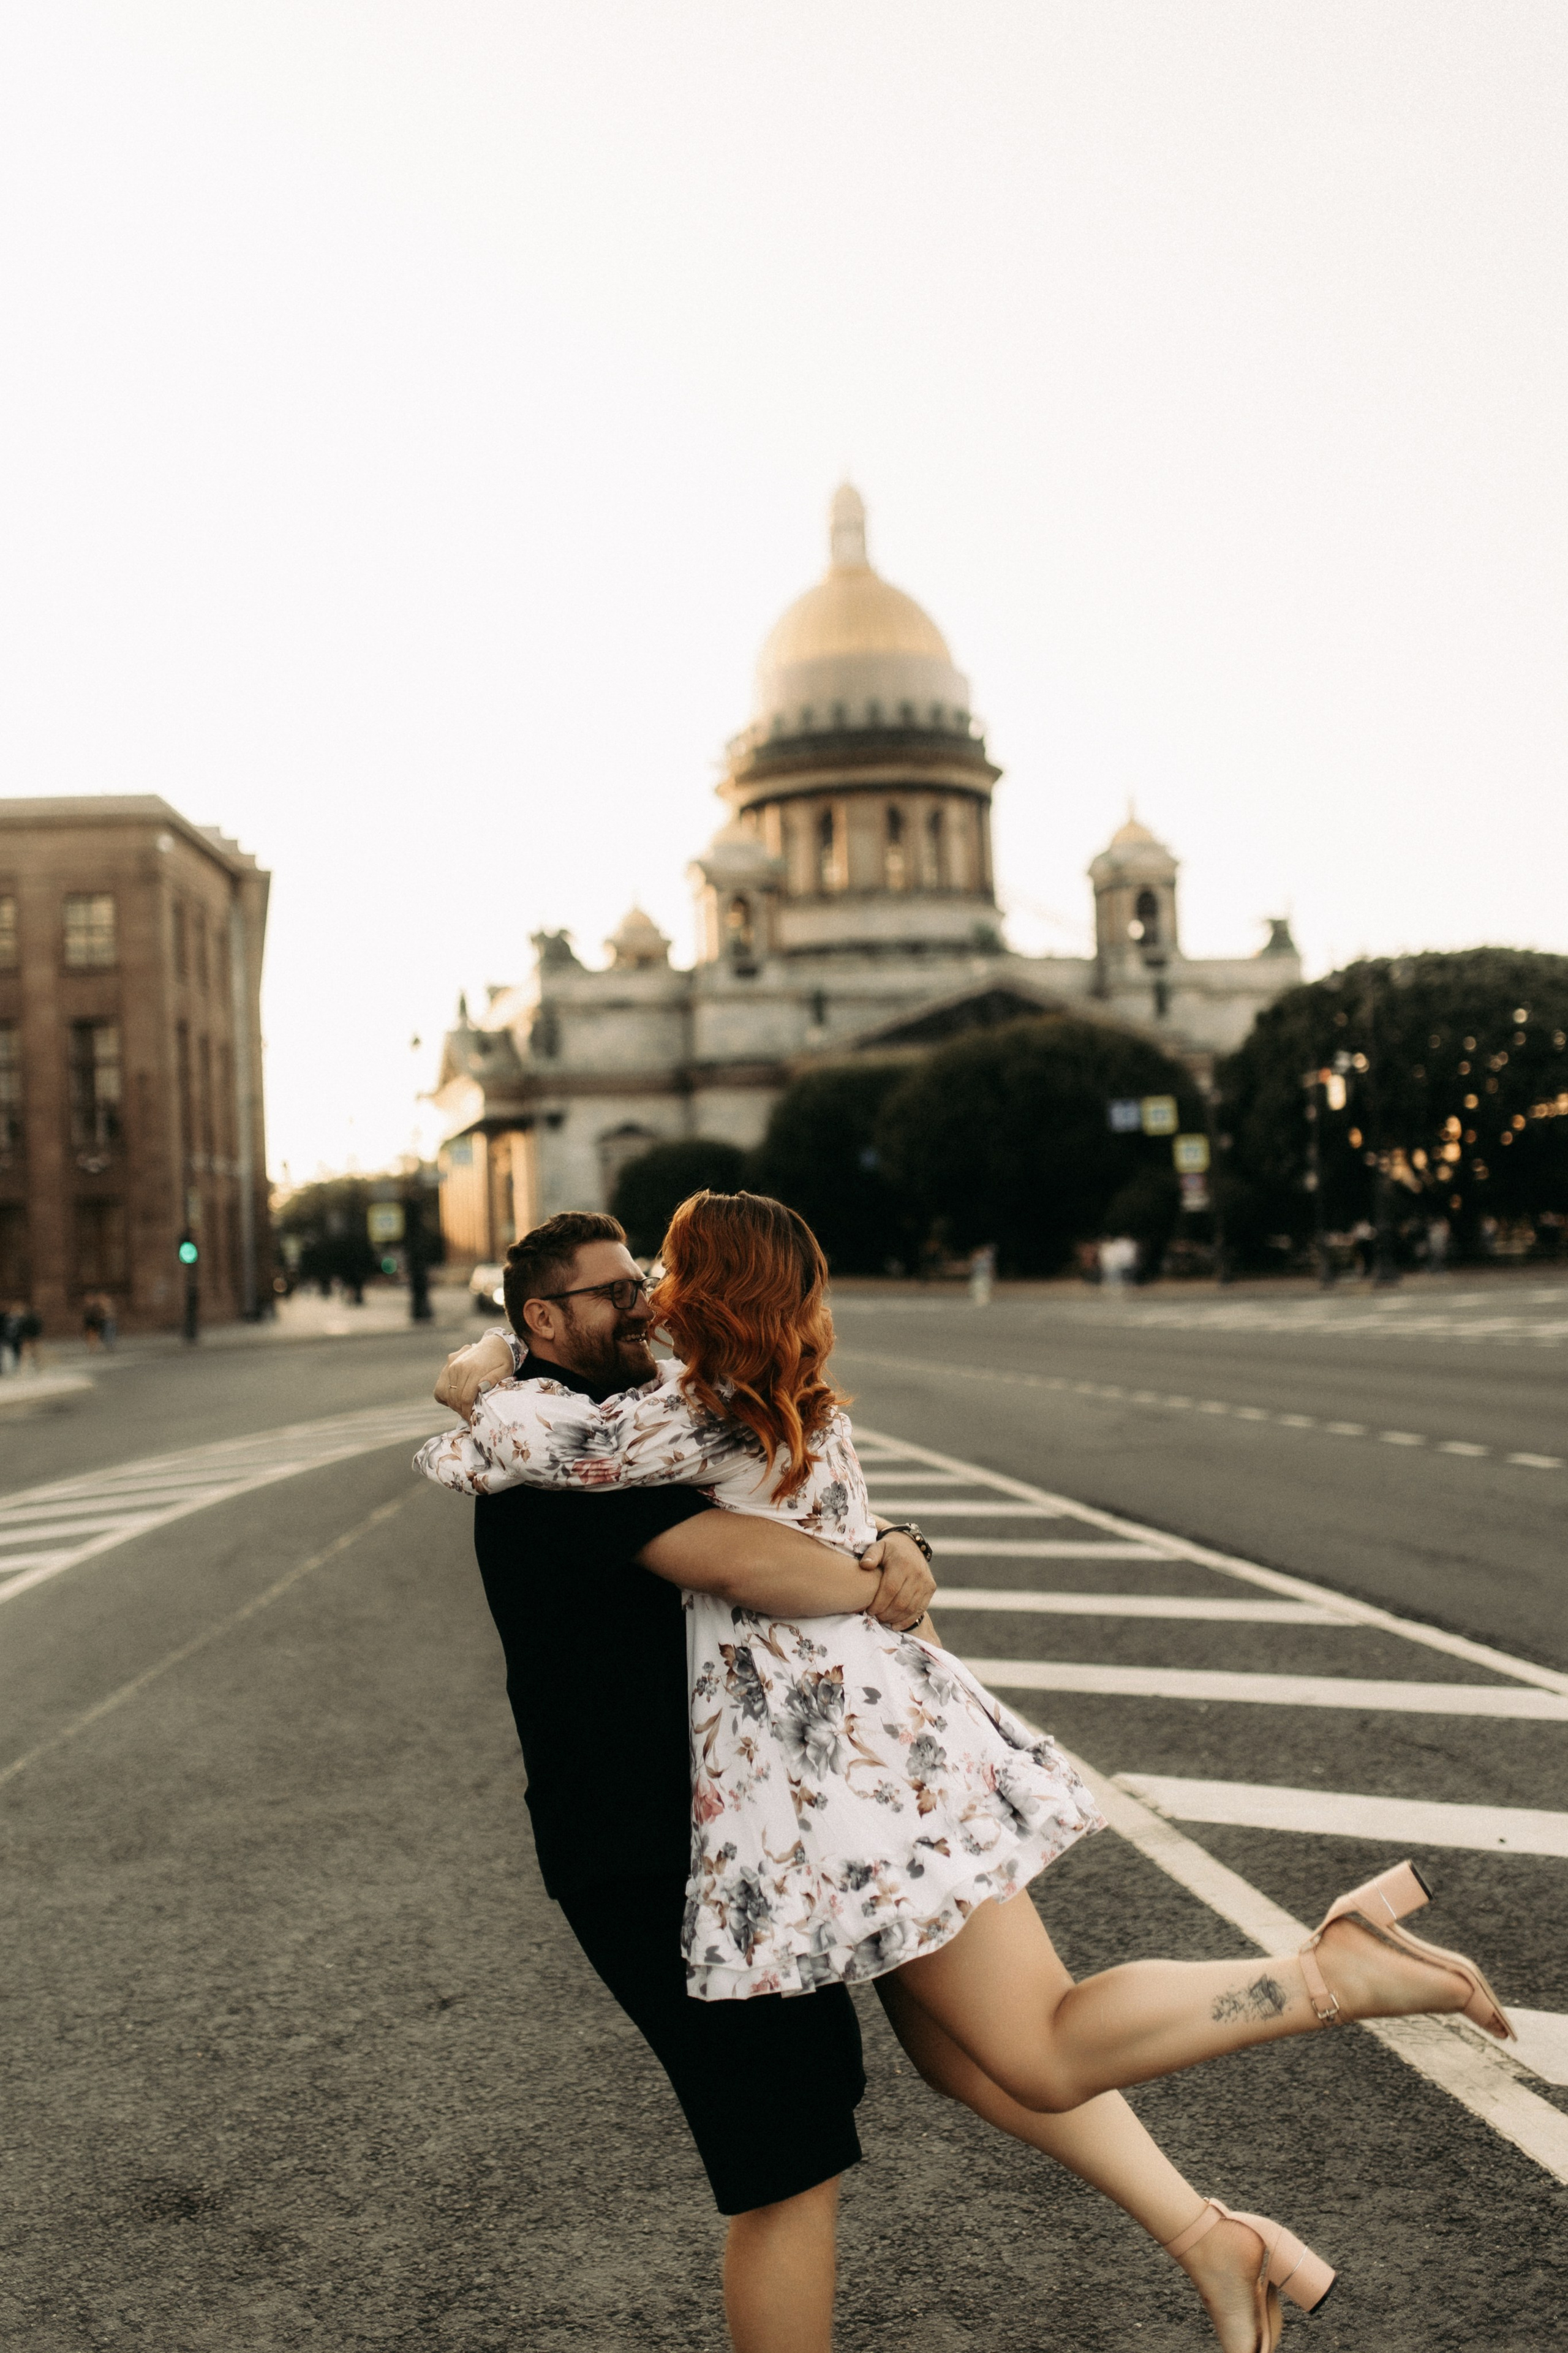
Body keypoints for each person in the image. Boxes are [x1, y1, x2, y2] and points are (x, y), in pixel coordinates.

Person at [430, 1201, 1513, 2353]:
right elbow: (738, 1527)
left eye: (658, 1274)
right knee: (962, 2058)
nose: (646, 1295)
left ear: (709, 1297)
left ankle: (1325, 1973)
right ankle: (1216, 2238)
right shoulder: (701, 1419)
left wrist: (478, 1382)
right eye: (623, 1287)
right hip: (769, 1805)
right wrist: (882, 1561)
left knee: (1010, 2057)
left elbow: (565, 1466)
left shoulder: (677, 1419)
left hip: (838, 1782)